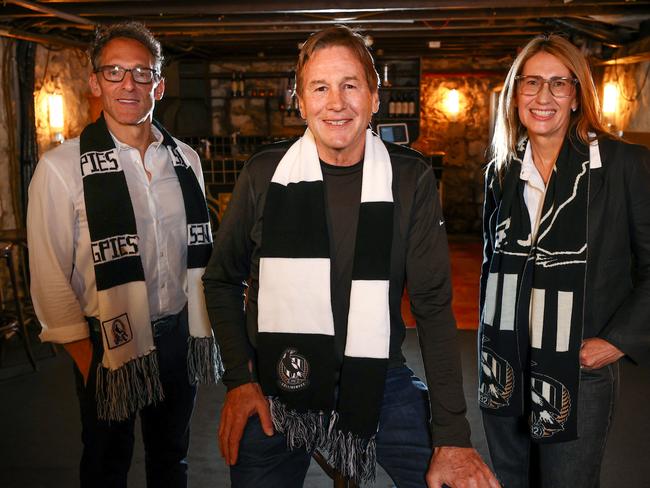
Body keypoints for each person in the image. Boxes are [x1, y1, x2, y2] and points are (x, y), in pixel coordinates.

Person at [204, 26, 499, 488]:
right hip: (278, 380)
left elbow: (434, 309)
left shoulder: (409, 178)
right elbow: (221, 280)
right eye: (320, 88)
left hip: (379, 377)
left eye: (350, 85)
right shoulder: (264, 174)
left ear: (375, 97)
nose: (336, 103)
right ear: (299, 102)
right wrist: (240, 380)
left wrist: (454, 436)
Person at [27, 22, 219, 488]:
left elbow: (200, 255)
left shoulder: (185, 160)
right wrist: (87, 357)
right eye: (114, 72)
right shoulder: (60, 169)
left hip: (177, 335)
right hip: (107, 340)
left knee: (171, 459)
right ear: (95, 82)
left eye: (141, 72)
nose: (128, 84)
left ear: (159, 83)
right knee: (106, 465)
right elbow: (50, 276)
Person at [479, 33, 650, 487]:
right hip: (505, 367)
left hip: (577, 369)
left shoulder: (622, 166)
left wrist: (615, 342)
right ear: (515, 94)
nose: (543, 97)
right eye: (531, 83)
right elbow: (489, 263)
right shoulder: (503, 169)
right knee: (511, 480)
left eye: (559, 84)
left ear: (577, 96)